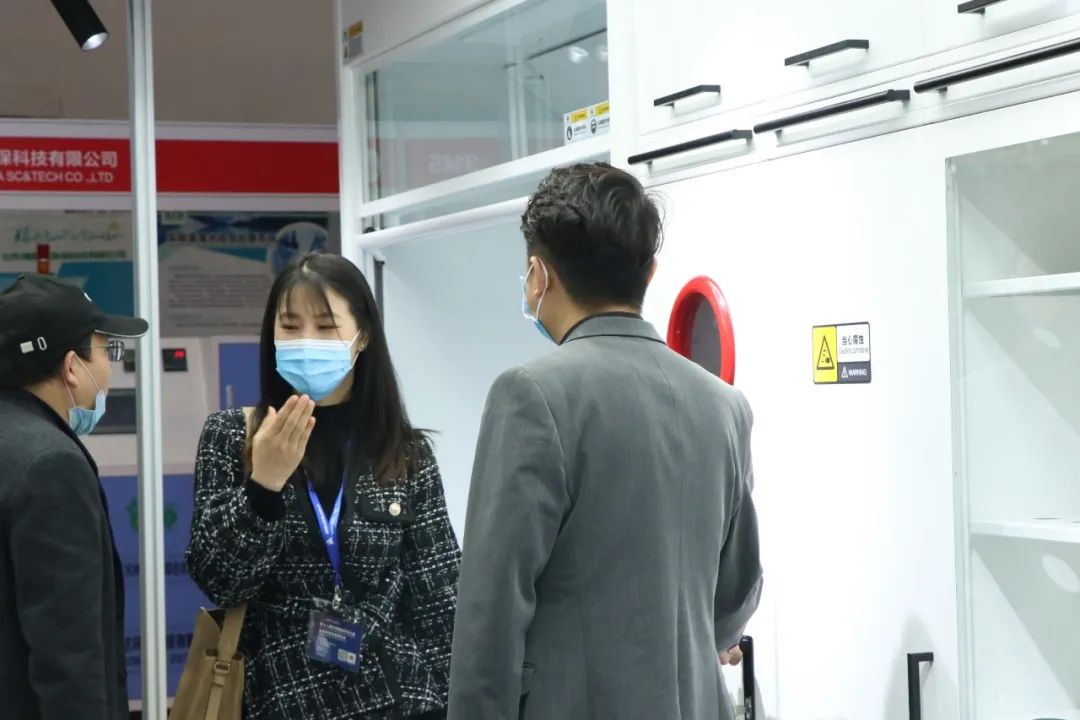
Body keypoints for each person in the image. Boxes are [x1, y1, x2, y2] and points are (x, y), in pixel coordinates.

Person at [448, 163, 763, 720]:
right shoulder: (725, 406)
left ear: (538, 276)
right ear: (650, 272)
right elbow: (736, 595)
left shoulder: (531, 395)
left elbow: (489, 615)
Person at [187, 252, 460, 720]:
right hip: (282, 697)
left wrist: (459, 700)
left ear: (362, 336)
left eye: (326, 326)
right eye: (290, 326)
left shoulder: (404, 451)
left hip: (400, 697)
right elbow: (220, 581)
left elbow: (439, 600)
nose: (305, 341)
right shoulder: (233, 436)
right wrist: (262, 487)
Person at [0, 274, 149, 720]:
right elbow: (68, 657)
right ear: (71, 367)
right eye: (106, 351)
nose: (108, 369)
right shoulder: (51, 467)